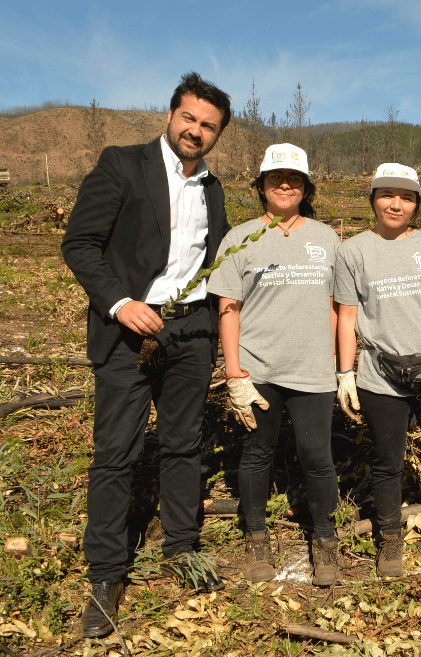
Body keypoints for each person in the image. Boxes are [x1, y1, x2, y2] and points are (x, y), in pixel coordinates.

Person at [62, 72, 232, 637]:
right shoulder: (121, 164)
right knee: (116, 452)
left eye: (208, 126)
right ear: (170, 116)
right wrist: (118, 302)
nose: (196, 130)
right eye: (189, 118)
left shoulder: (213, 188)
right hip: (127, 333)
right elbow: (79, 244)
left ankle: (182, 550)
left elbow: (216, 262)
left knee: (183, 445)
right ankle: (107, 573)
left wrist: (210, 326)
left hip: (190, 334)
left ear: (217, 135)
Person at [207, 144, 343, 585]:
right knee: (257, 454)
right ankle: (257, 538)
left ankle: (324, 540)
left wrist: (344, 366)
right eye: (275, 178)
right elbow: (229, 306)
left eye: (294, 179)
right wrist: (233, 373)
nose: (285, 185)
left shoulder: (326, 238)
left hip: (313, 369)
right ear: (262, 186)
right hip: (258, 370)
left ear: (305, 187)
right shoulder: (239, 238)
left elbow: (335, 306)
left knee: (317, 455)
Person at [334, 163, 421, 577]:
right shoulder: (352, 250)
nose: (396, 204)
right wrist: (345, 372)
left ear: (416, 204)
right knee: (387, 461)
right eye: (387, 195)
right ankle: (390, 541)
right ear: (373, 199)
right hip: (382, 374)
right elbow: (346, 317)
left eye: (406, 197)